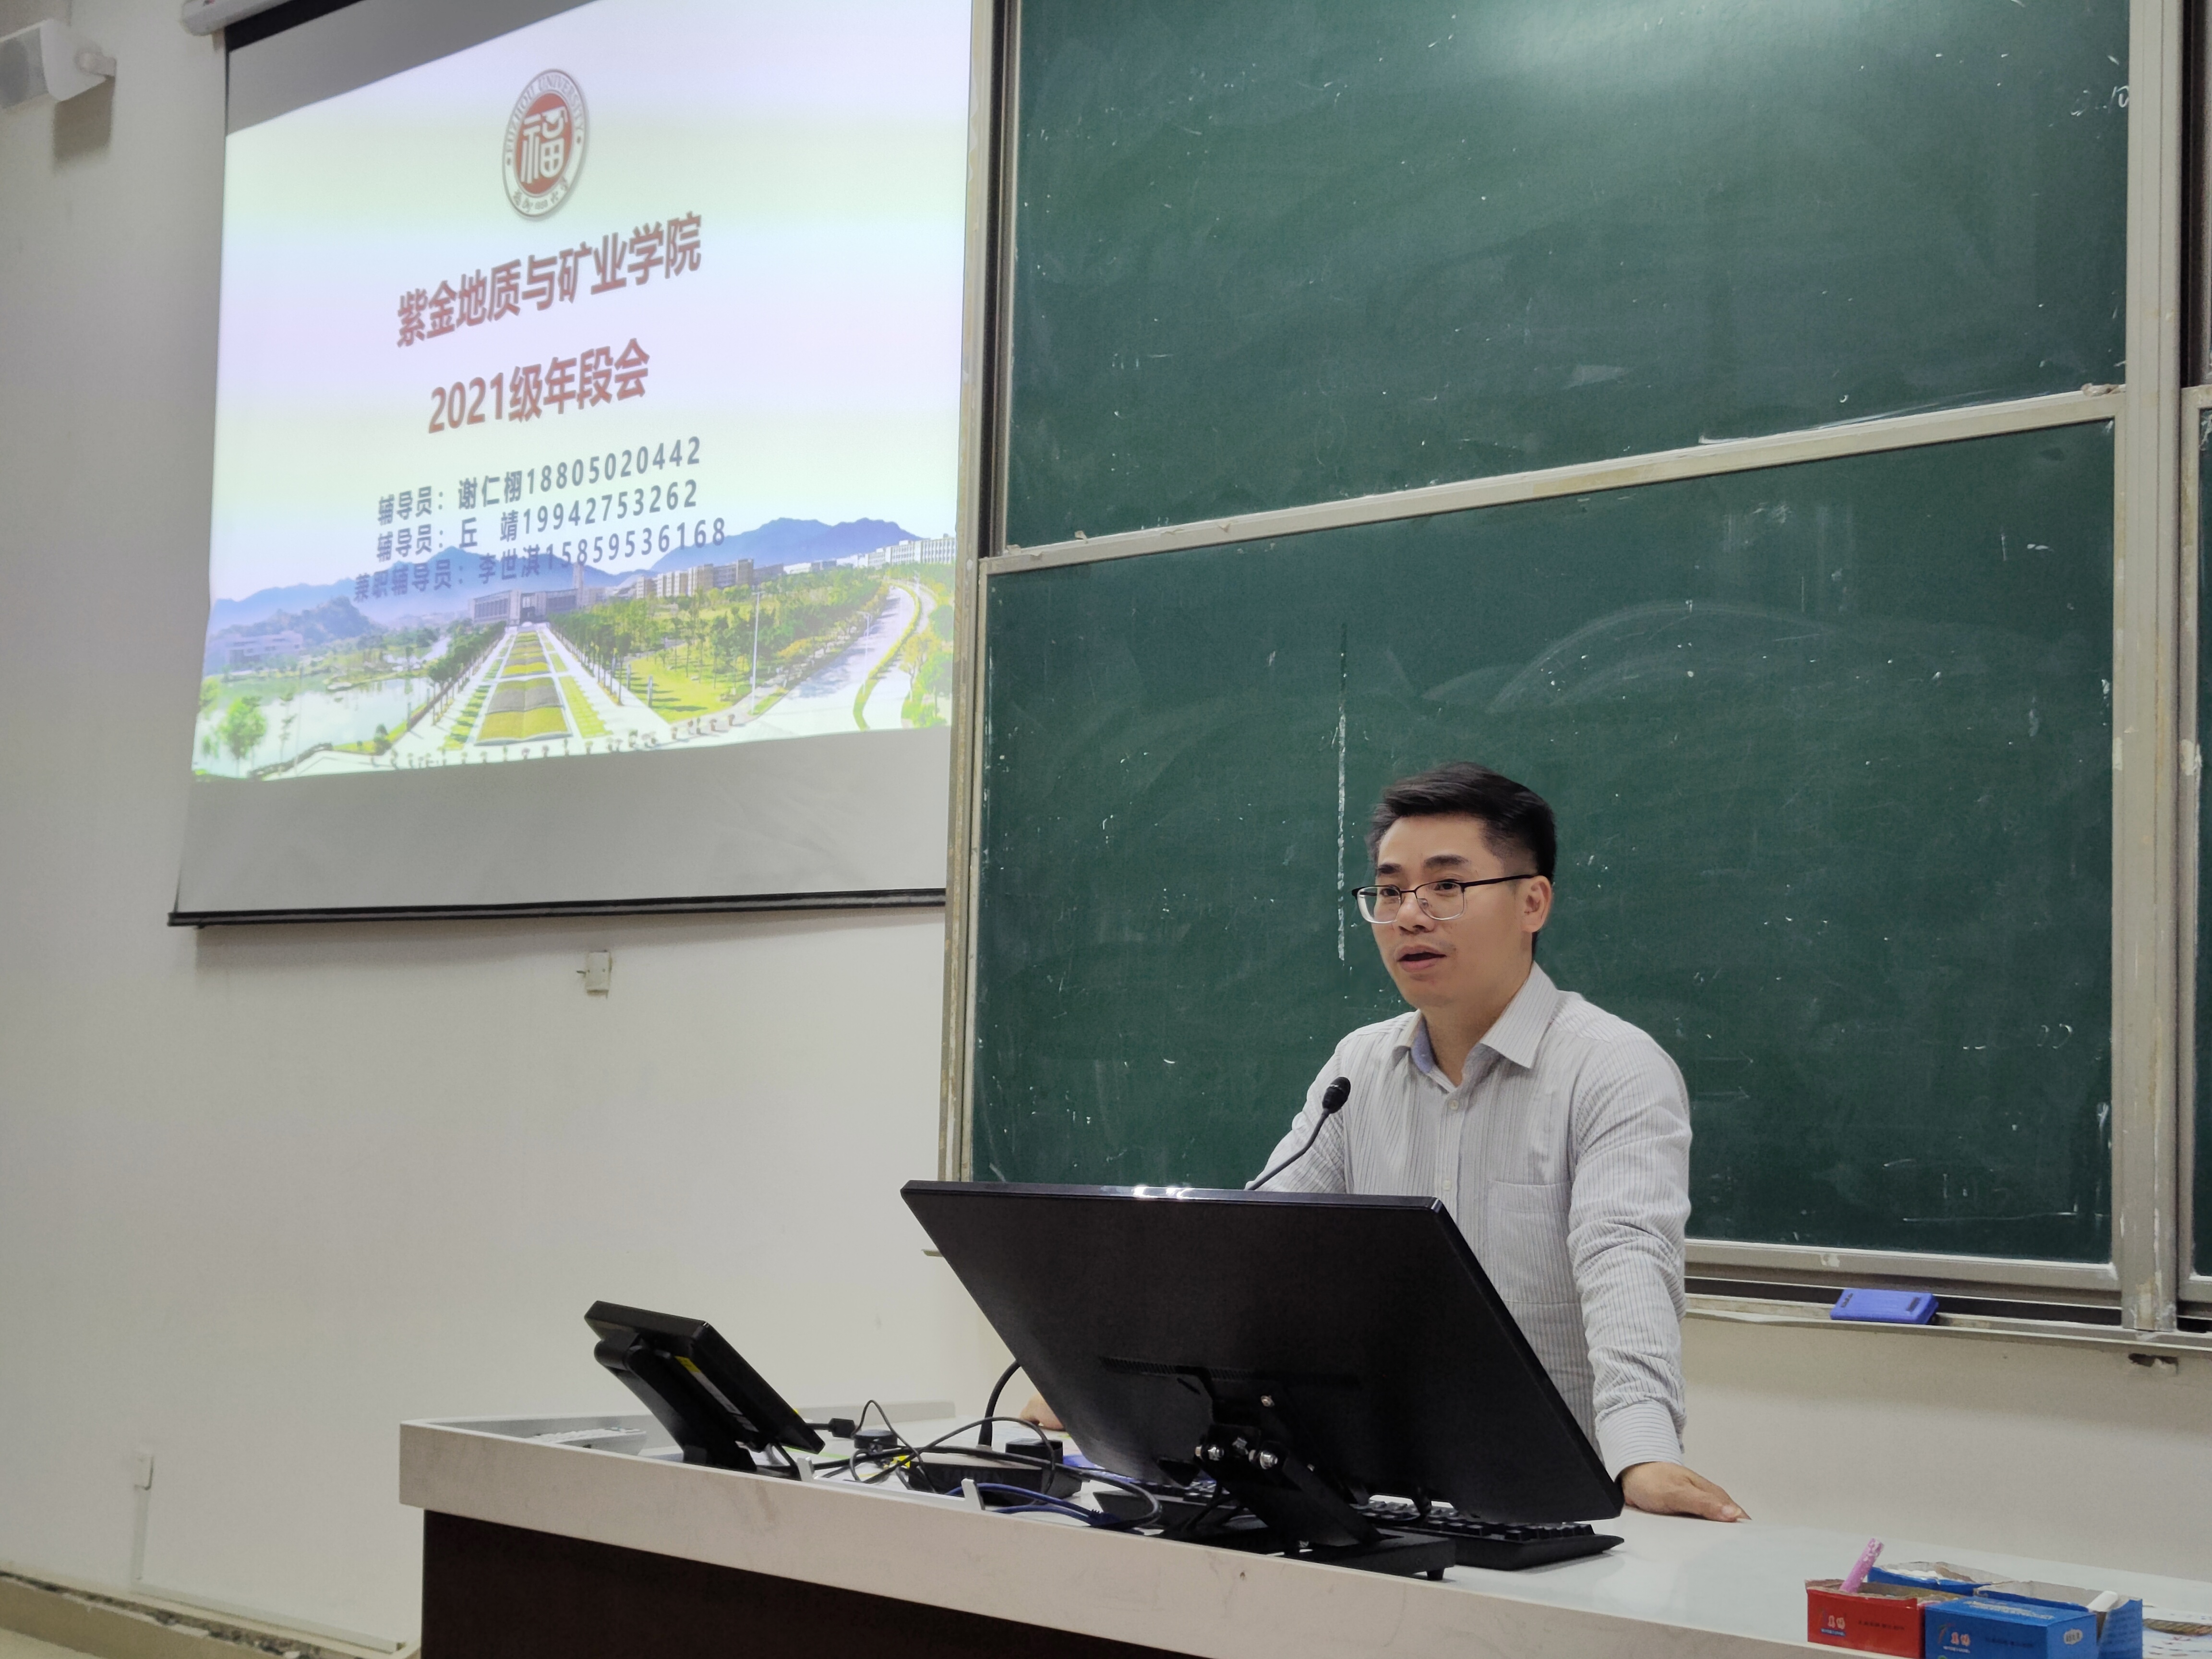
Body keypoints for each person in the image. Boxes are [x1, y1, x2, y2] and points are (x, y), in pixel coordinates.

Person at [1026, 762, 1744, 1522]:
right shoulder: (1360, 1067)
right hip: (1384, 1493)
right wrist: (1109, 1384)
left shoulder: (1613, 1067)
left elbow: (1626, 1261)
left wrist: (1643, 1453)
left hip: (1558, 1499)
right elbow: (1251, 1247)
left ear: (1533, 902)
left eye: (1447, 886)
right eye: (1391, 891)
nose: (1410, 916)